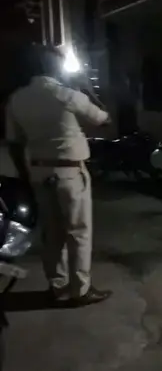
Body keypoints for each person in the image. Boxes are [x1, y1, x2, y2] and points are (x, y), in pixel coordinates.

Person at [5, 45, 112, 306]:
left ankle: (58, 287)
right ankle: (80, 290)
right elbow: (105, 120)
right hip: (71, 173)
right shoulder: (68, 95)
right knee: (78, 232)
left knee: (51, 234)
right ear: (54, 68)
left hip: (39, 172)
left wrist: (25, 177)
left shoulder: (16, 99)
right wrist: (87, 89)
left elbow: (14, 143)